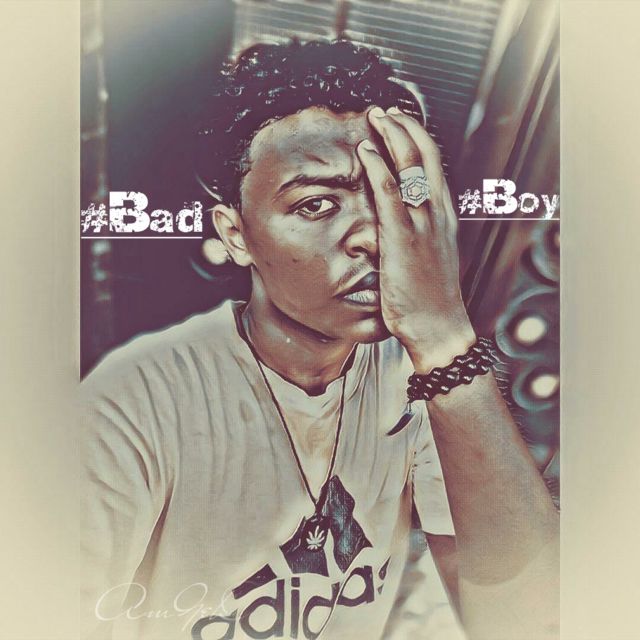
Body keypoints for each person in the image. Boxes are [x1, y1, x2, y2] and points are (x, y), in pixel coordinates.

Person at [80, 39, 559, 640]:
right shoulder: (132, 403)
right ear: (236, 235)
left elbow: (528, 619)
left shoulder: (413, 375)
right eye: (316, 204)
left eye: (390, 198)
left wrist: (443, 334)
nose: (372, 237)